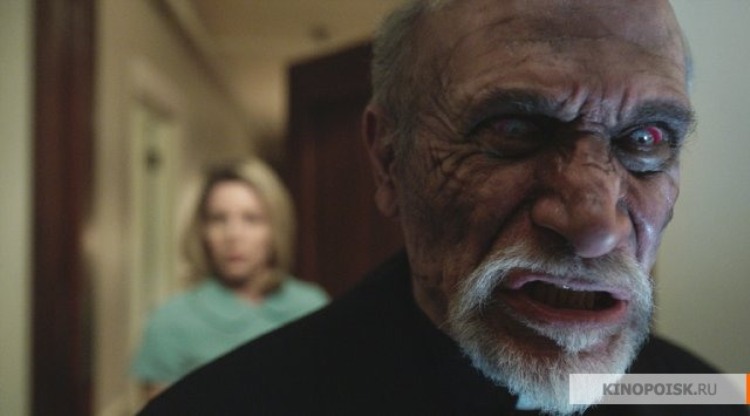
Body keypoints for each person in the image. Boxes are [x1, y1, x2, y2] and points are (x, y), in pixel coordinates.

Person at [140, 1, 748, 415]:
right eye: (514, 129)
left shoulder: (710, 397)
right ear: (388, 159)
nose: (595, 226)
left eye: (645, 139)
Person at [132, 158, 329, 399]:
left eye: (251, 218)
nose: (234, 235)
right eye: (218, 219)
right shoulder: (170, 322)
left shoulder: (312, 307)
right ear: (202, 231)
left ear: (275, 228)